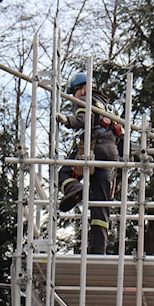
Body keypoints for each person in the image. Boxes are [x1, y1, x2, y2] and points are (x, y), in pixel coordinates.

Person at [56, 72, 123, 255]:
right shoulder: (110, 108)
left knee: (62, 174)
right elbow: (122, 136)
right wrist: (121, 167)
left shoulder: (87, 99)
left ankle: (75, 189)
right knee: (100, 207)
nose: (74, 97)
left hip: (93, 149)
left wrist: (66, 120)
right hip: (111, 157)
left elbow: (84, 119)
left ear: (84, 87)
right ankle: (97, 251)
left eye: (75, 92)